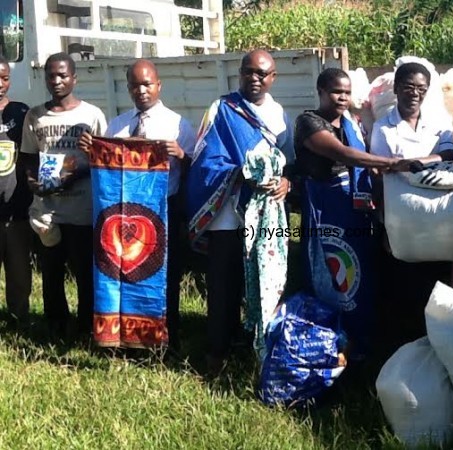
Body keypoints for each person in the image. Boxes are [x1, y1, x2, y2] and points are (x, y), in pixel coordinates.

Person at [187, 49, 294, 371]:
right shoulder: (222, 108)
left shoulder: (280, 116)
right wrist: (241, 173)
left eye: (262, 73)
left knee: (265, 282)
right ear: (240, 73)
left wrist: (286, 182)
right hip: (226, 216)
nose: (255, 79)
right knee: (223, 284)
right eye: (249, 72)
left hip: (265, 216)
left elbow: (288, 162)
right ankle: (217, 352)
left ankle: (258, 350)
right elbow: (203, 158)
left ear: (273, 77)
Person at [79, 59, 196, 351]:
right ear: (128, 87)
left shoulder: (179, 125)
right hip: (119, 218)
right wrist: (92, 150)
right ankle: (122, 338)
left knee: (162, 275)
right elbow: (105, 168)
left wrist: (181, 154)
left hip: (163, 212)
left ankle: (166, 339)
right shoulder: (118, 125)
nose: (141, 90)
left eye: (147, 84)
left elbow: (199, 170)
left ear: (159, 85)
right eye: (135, 85)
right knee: (120, 274)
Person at [294, 67, 402, 359]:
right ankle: (325, 347)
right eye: (335, 92)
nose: (342, 98)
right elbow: (341, 154)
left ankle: (359, 348)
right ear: (320, 92)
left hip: (356, 214)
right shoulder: (308, 123)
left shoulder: (353, 124)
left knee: (360, 277)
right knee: (326, 277)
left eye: (346, 92)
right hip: (325, 213)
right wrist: (389, 162)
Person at [370, 62, 453, 353]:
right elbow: (382, 171)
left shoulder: (439, 123)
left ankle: (435, 347)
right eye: (408, 87)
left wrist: (418, 162)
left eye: (421, 89)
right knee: (402, 285)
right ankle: (402, 352)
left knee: (435, 285)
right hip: (401, 221)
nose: (414, 94)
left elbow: (448, 152)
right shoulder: (384, 128)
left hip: (435, 220)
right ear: (396, 89)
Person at [20, 52, 107, 338]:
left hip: (82, 208)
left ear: (74, 78)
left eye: (62, 75)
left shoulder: (91, 115)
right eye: (50, 76)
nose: (56, 81)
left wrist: (77, 172)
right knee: (52, 272)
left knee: (84, 273)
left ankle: (85, 328)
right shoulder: (35, 116)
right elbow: (29, 158)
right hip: (48, 211)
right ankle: (56, 325)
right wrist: (33, 182)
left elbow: (105, 159)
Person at [0, 56, 32, 327]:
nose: (1, 84)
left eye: (5, 78)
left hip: (17, 208)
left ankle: (19, 322)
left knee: (19, 273)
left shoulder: (22, 113)